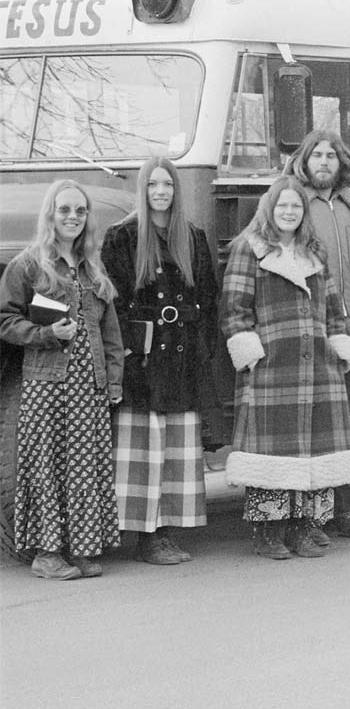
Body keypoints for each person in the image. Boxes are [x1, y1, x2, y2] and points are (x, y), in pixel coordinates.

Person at [220, 177, 350, 559]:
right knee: (273, 452)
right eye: (283, 206)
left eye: (296, 207)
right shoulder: (248, 249)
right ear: (270, 208)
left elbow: (335, 310)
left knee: (315, 448)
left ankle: (305, 527)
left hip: (319, 367)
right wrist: (250, 353)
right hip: (272, 367)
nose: (289, 212)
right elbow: (235, 310)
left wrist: (339, 343)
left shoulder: (314, 252)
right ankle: (269, 530)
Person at [0, 179, 124, 580]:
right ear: (50, 214)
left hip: (89, 387)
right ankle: (47, 554)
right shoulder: (28, 265)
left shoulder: (93, 269)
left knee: (85, 468)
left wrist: (114, 382)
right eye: (65, 209)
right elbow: (6, 320)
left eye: (80, 211)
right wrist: (47, 335)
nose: (72, 217)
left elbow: (111, 334)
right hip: (46, 384)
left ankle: (84, 549)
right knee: (47, 468)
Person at [101, 157, 219, 566]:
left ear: (176, 190)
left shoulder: (193, 237)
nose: (161, 192)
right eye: (153, 185)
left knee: (172, 452)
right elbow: (113, 305)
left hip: (183, 360)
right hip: (144, 361)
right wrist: (132, 351)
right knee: (144, 452)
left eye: (167, 184)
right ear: (143, 189)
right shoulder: (122, 237)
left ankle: (166, 533)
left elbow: (208, 301)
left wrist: (202, 352)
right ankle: (145, 537)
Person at [283, 130, 350, 542]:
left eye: (331, 156)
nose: (324, 162)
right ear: (304, 161)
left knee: (344, 430)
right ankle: (305, 520)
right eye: (316, 155)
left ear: (342, 164)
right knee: (308, 433)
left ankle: (341, 512)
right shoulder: (289, 202)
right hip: (311, 337)